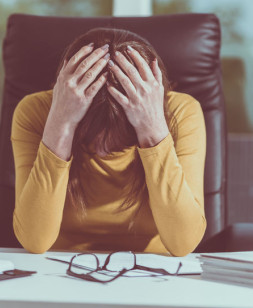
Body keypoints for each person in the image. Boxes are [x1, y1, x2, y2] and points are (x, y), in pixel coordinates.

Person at [11, 28, 206, 256]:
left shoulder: (181, 113)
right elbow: (34, 241)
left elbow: (184, 242)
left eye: (120, 138)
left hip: (151, 269)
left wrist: (153, 131)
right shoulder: (37, 112)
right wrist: (61, 125)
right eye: (90, 134)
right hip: (59, 267)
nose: (103, 151)